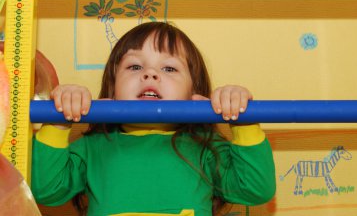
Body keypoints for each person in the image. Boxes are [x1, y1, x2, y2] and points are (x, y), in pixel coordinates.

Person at [31, 22, 276, 216]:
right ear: (113, 89)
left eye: (169, 68)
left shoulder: (205, 147)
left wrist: (241, 119)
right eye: (134, 67)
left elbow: (255, 190)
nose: (150, 73)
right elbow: (47, 191)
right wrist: (59, 120)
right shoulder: (94, 147)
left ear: (195, 94)